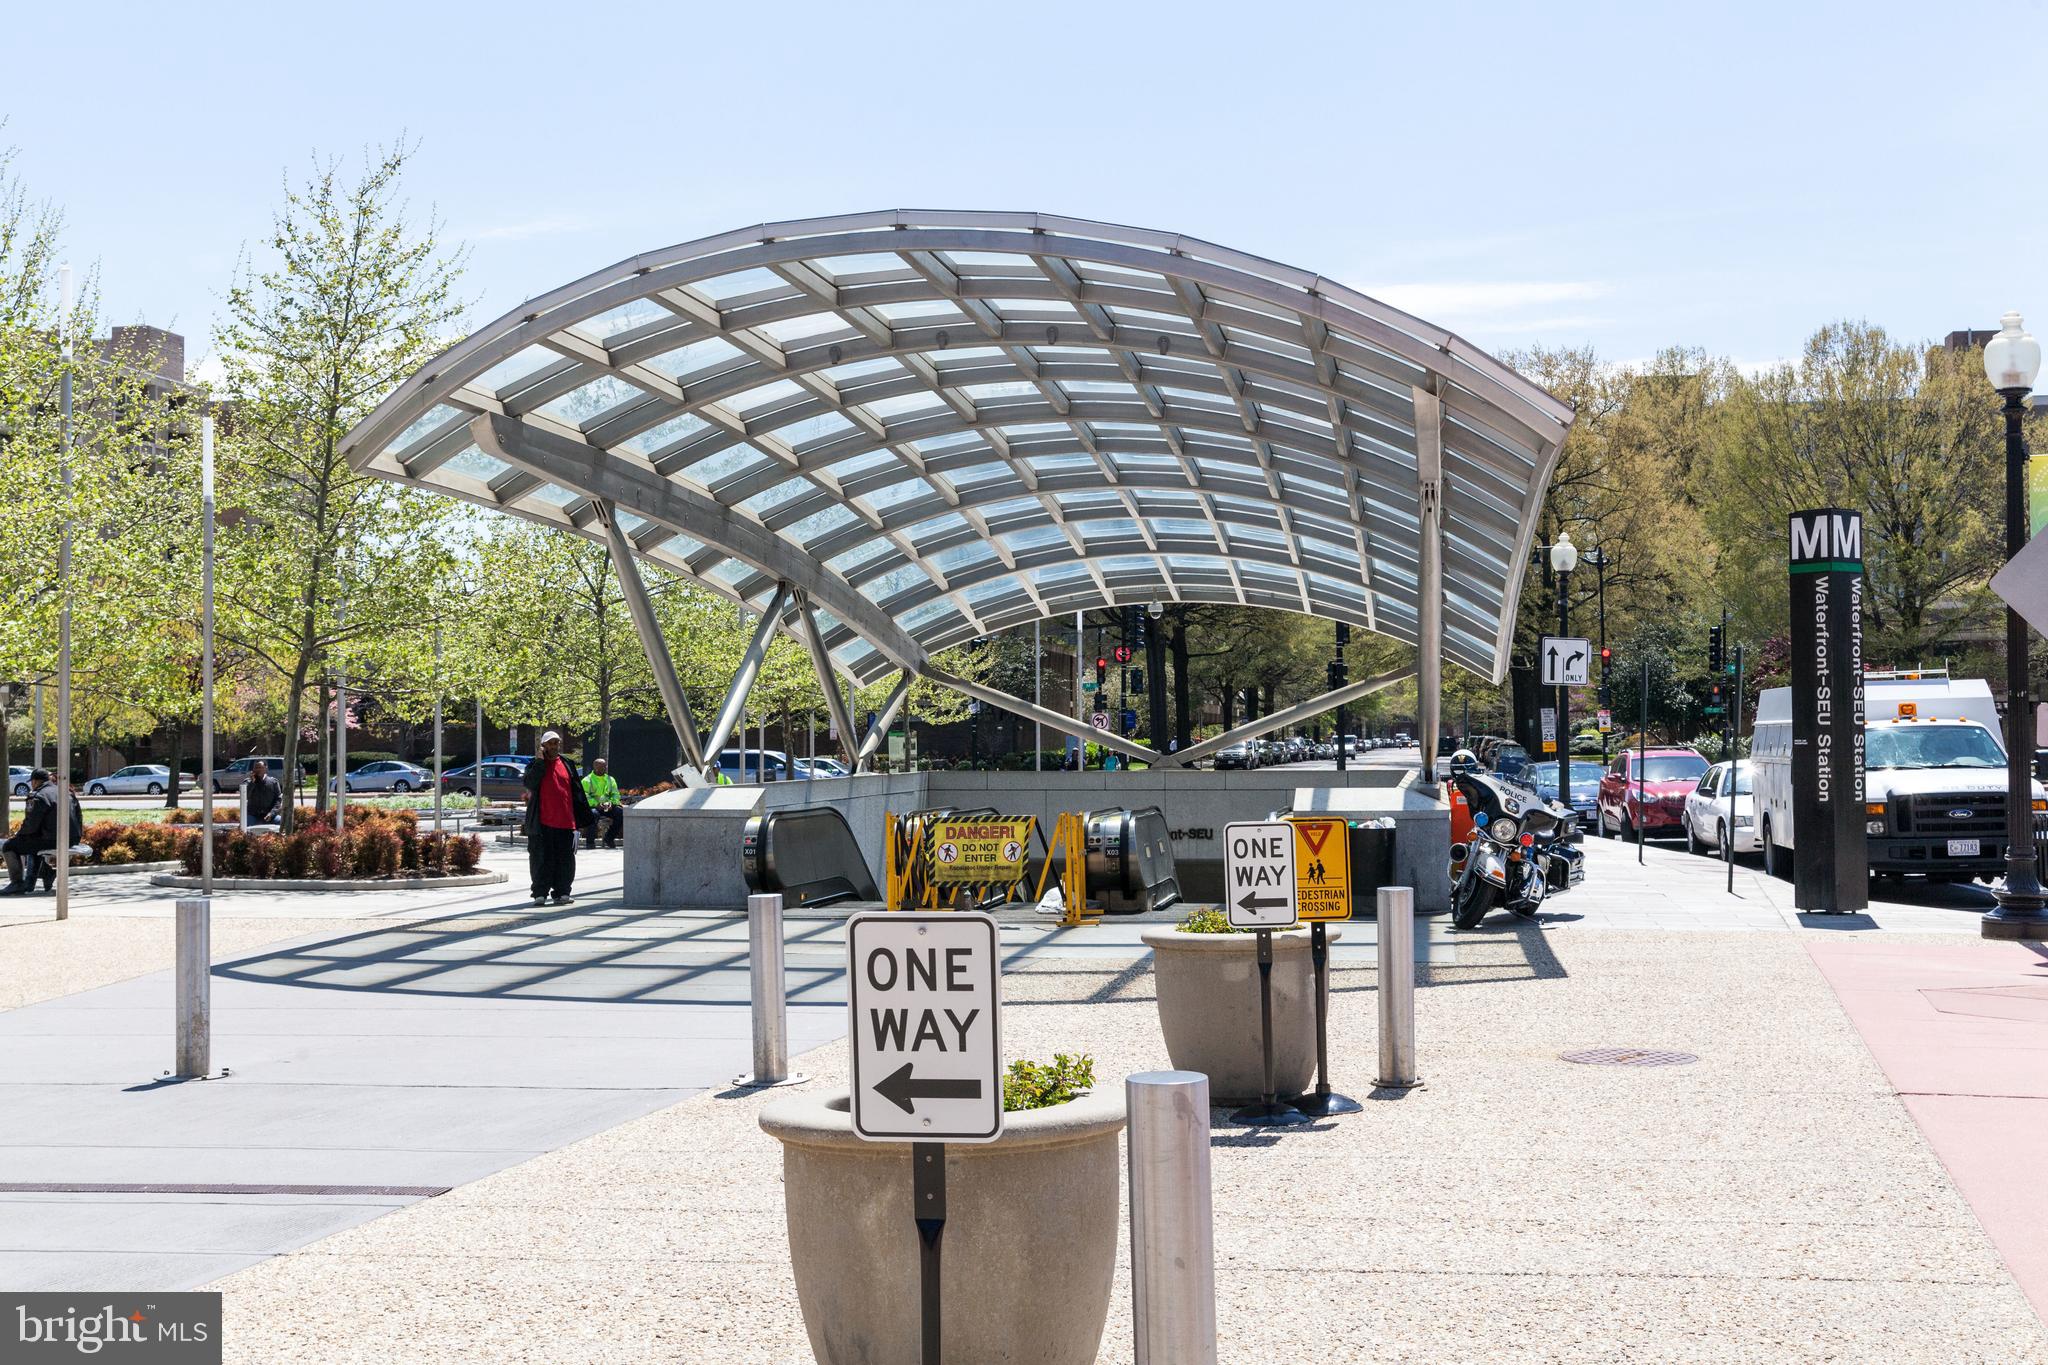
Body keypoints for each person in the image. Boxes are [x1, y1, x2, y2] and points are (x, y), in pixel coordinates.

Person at [522, 730, 593, 906]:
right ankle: (540, 893)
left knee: (565, 859)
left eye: (557, 743)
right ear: (543, 746)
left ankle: (563, 892)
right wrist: (540, 761)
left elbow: (576, 791)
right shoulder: (535, 764)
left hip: (566, 821)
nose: (555, 746)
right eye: (551, 743)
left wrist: (579, 820)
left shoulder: (567, 763)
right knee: (542, 859)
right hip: (542, 822)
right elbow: (530, 783)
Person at [1, 769, 57, 895]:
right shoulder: (64, 792)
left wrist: (18, 835)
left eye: (32, 782)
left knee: (9, 846)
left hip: (50, 840)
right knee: (32, 845)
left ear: (35, 781)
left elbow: (30, 825)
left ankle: (17, 883)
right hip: (71, 838)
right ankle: (45, 874)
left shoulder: (37, 796)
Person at [581, 757, 623, 850]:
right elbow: (584, 797)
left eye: (604, 767)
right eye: (600, 767)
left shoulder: (610, 779)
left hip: (607, 807)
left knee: (620, 813)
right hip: (594, 807)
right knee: (593, 815)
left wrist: (612, 803)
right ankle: (590, 842)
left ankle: (609, 838)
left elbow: (616, 794)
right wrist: (596, 804)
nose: (603, 769)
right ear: (595, 767)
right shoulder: (586, 780)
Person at [244, 760, 283, 828]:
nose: (258, 769)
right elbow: (245, 796)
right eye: (256, 768)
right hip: (253, 815)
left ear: (266, 768)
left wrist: (271, 813)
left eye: (260, 767)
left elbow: (278, 800)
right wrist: (252, 783)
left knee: (281, 822)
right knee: (244, 826)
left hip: (270, 815)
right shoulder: (248, 782)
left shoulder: (273, 782)